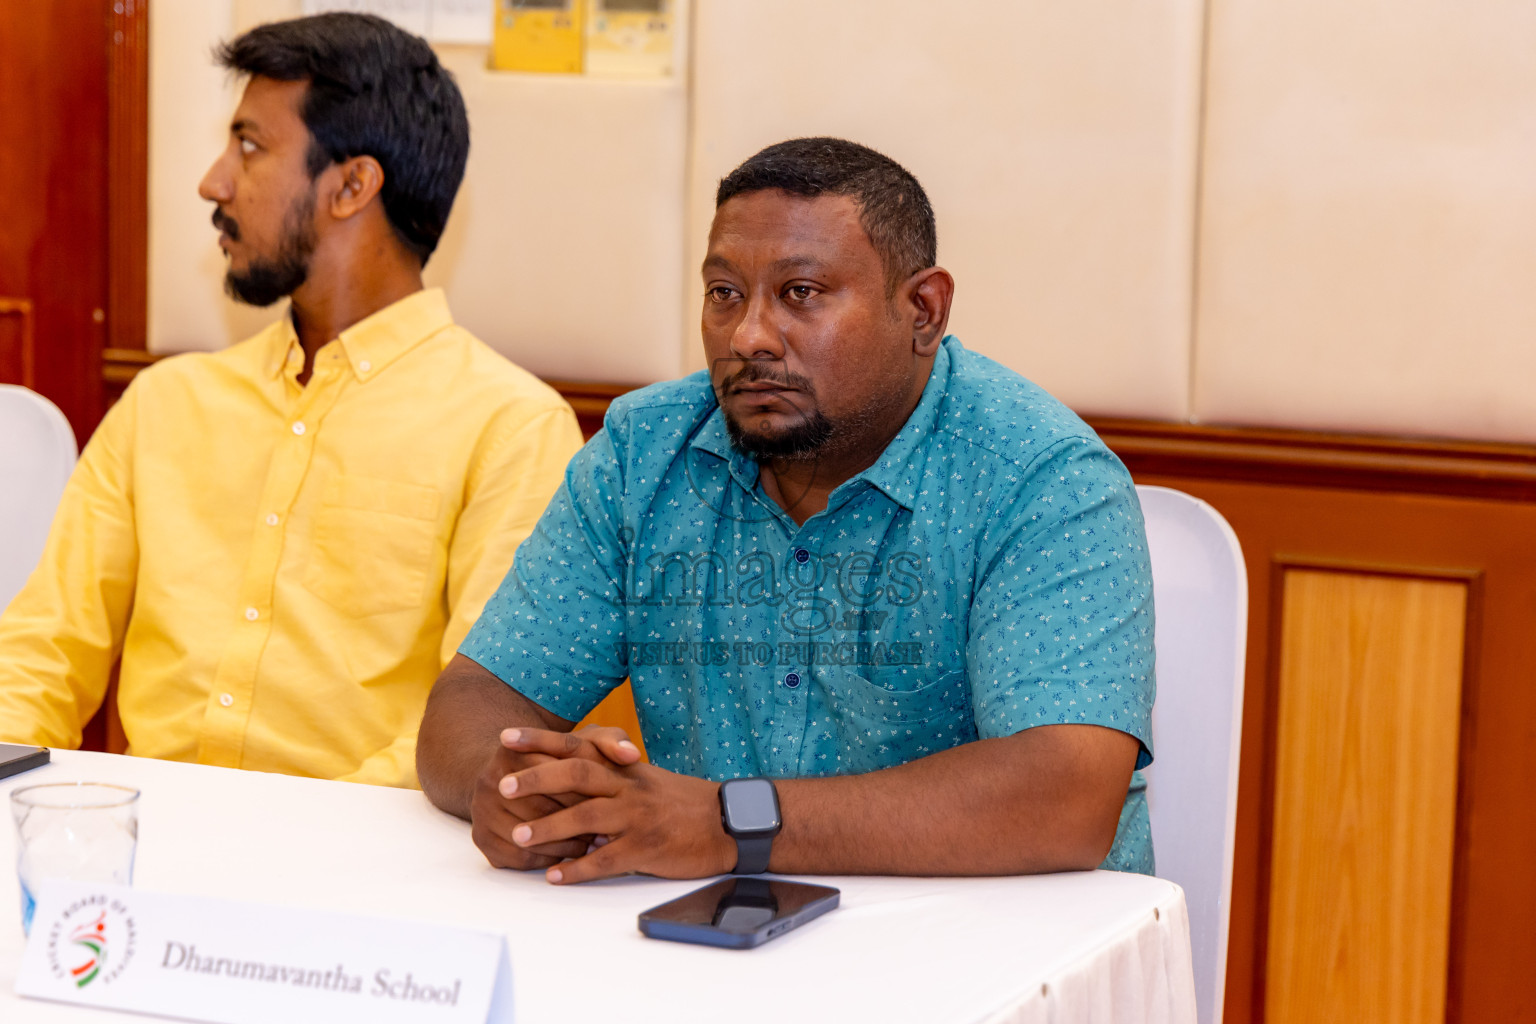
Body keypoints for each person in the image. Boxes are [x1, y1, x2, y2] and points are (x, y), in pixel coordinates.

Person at [417, 137, 1156, 880]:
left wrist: (730, 823)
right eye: (724, 294)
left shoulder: (1043, 478)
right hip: (717, 941)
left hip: (999, 956)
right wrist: (515, 787)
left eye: (800, 293)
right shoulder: (644, 454)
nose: (748, 338)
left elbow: (1066, 795)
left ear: (923, 311)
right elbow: (477, 697)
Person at [0, 14, 582, 787]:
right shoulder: (165, 403)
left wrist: (289, 854)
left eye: (249, 145)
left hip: (364, 872)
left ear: (351, 186)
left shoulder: (510, 428)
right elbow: (39, 657)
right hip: (144, 850)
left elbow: (487, 722)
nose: (214, 181)